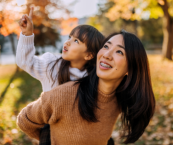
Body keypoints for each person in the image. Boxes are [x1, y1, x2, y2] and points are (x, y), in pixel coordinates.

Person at [17, 30, 156, 144]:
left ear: (130, 69)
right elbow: (24, 121)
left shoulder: (120, 99)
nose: (106, 55)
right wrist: (50, 138)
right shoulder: (63, 95)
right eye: (106, 46)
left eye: (119, 52)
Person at [17, 7, 105, 145]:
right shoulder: (51, 64)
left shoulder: (94, 77)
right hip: (51, 130)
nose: (67, 42)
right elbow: (24, 62)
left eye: (76, 41)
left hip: (81, 133)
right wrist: (27, 34)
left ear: (89, 55)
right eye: (70, 37)